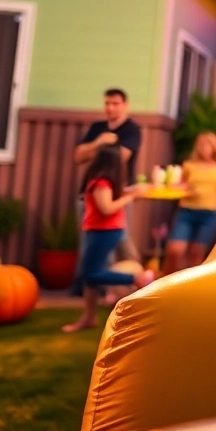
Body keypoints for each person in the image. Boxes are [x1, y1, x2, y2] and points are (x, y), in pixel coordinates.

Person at [62, 144, 155, 333]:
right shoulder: (106, 182)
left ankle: (137, 278)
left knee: (89, 273)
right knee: (89, 277)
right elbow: (116, 199)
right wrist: (133, 192)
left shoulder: (101, 182)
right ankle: (89, 317)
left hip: (103, 231)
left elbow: (107, 208)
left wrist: (131, 196)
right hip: (102, 230)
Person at [71, 88, 143, 284]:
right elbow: (77, 156)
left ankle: (133, 281)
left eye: (115, 104)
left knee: (118, 243)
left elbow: (119, 157)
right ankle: (93, 288)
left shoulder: (131, 130)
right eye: (107, 103)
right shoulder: (98, 129)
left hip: (115, 195)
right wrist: (99, 143)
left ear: (125, 105)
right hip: (89, 195)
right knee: (89, 246)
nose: (110, 108)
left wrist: (94, 151)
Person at [165, 131, 216, 275]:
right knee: (175, 250)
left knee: (196, 256)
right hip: (186, 211)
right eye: (201, 145)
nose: (204, 148)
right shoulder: (189, 165)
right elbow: (179, 185)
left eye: (207, 145)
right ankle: (165, 281)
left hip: (208, 214)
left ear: (214, 148)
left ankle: (187, 289)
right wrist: (183, 189)